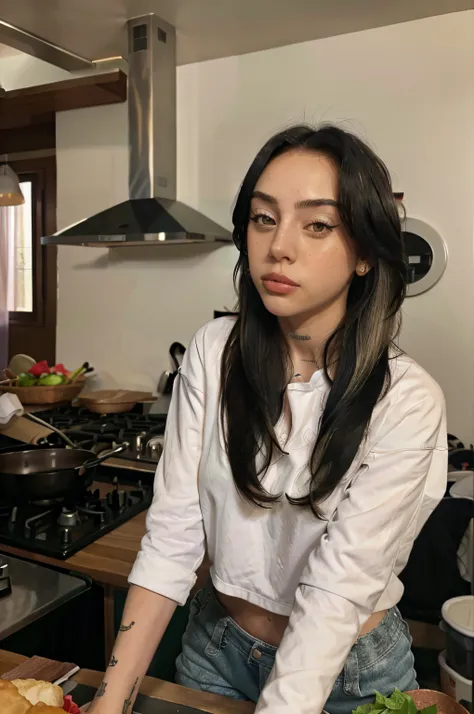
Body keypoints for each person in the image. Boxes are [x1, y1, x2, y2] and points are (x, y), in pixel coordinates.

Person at [87, 125, 447, 714]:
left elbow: (335, 594)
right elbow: (174, 535)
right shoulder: (214, 353)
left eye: (318, 225)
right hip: (216, 644)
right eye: (263, 218)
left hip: (348, 674)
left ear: (363, 254)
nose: (279, 247)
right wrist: (110, 701)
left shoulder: (407, 400)